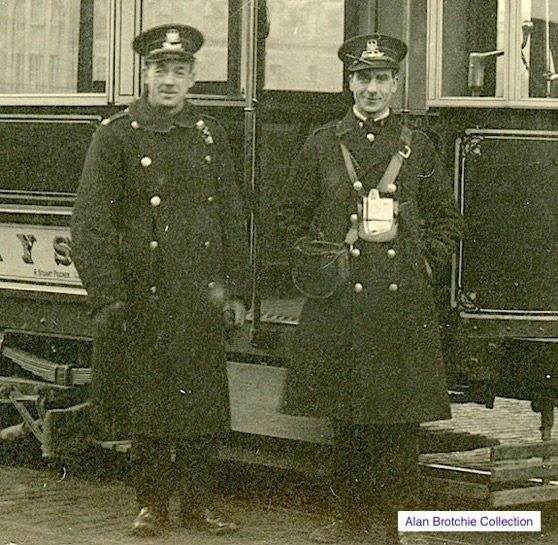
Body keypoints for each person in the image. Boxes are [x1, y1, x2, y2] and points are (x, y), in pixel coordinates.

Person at [279, 34, 463, 545]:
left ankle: (399, 521)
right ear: (350, 83)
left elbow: (448, 218)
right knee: (348, 418)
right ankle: (349, 520)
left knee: (400, 422)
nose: (373, 88)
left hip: (401, 301)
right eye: (364, 78)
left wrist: (425, 261)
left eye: (382, 79)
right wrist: (319, 260)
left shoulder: (416, 145)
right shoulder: (321, 142)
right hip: (342, 299)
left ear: (396, 84)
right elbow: (290, 216)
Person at [71, 24, 250, 537]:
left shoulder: (209, 135)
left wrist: (235, 292)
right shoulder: (116, 136)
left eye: (179, 70)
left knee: (201, 411)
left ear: (194, 77)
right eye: (158, 70)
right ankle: (150, 504)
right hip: (142, 297)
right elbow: (91, 223)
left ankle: (197, 507)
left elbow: (230, 219)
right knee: (147, 410)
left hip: (199, 297)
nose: (168, 80)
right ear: (145, 74)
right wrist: (109, 298)